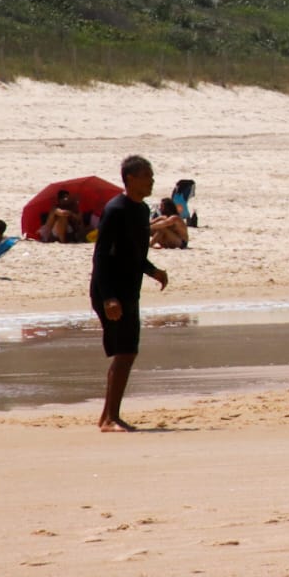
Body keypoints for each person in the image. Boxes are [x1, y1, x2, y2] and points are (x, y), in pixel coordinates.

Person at [91, 155, 169, 431]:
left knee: (127, 352)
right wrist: (108, 297)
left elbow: (136, 253)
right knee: (124, 352)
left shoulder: (140, 210)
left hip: (128, 289)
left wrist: (153, 270)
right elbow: (100, 256)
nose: (152, 180)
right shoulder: (116, 210)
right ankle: (110, 418)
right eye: (147, 175)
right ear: (131, 178)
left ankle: (107, 416)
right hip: (110, 291)